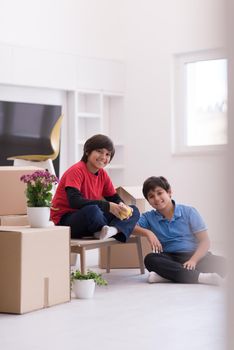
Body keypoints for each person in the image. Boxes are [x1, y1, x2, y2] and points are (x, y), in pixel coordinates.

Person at [133, 176, 226, 285]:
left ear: (169, 192)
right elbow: (132, 228)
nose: (157, 198)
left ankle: (167, 277)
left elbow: (205, 241)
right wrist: (148, 233)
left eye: (159, 193)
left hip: (194, 256)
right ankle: (202, 278)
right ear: (148, 201)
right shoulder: (148, 217)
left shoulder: (189, 212)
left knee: (224, 264)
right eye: (151, 196)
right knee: (150, 259)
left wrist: (193, 261)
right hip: (169, 258)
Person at [50, 134, 140, 242]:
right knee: (93, 210)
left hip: (91, 219)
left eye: (108, 154)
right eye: (99, 151)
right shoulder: (76, 171)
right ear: (87, 151)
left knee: (133, 210)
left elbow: (114, 197)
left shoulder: (103, 174)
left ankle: (111, 230)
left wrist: (121, 205)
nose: (103, 157)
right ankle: (105, 229)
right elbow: (74, 201)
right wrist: (108, 206)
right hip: (65, 221)